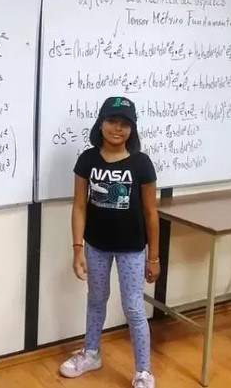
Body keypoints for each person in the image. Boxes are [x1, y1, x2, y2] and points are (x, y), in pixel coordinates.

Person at [59, 96, 160, 388]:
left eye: (125, 124)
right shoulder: (87, 160)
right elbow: (79, 206)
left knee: (134, 308)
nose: (118, 128)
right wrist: (77, 248)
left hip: (132, 249)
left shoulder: (141, 163)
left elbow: (151, 213)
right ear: (101, 123)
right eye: (112, 121)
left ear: (132, 129)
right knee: (96, 299)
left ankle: (143, 371)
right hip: (96, 246)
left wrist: (154, 257)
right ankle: (91, 353)